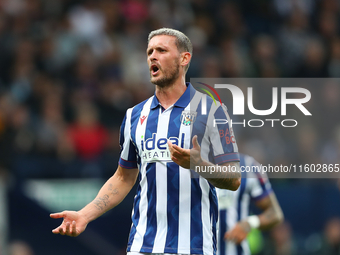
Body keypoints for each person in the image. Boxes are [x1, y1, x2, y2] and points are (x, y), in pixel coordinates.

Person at [50, 28, 241, 255]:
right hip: (142, 246)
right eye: (150, 51)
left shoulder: (212, 112)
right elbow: (123, 177)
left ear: (184, 58)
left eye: (161, 50)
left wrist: (198, 164)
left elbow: (234, 179)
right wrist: (85, 214)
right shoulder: (134, 115)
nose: (152, 56)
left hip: (194, 246)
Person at [216, 154, 284, 255]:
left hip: (235, 250)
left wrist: (249, 223)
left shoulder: (248, 166)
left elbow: (275, 213)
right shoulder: (188, 163)